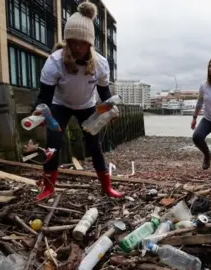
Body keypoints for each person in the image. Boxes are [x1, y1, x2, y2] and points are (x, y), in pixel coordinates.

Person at [31, 1, 122, 201]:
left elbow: (104, 92)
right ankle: (48, 188)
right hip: (60, 104)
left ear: (90, 43)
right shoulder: (55, 62)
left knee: (94, 147)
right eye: (73, 42)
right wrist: (39, 110)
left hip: (87, 106)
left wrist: (110, 110)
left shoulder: (100, 64)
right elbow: (44, 96)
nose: (78, 47)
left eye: (83, 42)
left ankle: (106, 187)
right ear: (67, 41)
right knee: (53, 145)